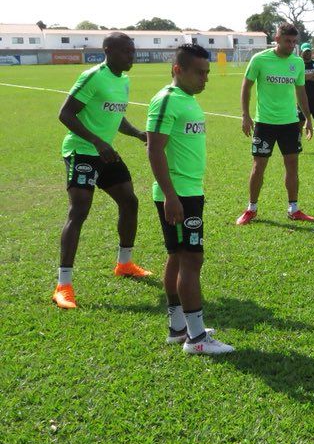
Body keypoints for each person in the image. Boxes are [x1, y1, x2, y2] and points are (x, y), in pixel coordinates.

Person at [53, 32, 151, 309]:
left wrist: (136, 133)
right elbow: (65, 113)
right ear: (108, 50)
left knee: (129, 202)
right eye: (125, 52)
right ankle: (63, 285)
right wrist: (97, 142)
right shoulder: (93, 76)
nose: (131, 56)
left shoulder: (124, 80)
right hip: (82, 150)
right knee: (80, 209)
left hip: (104, 152)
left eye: (132, 52)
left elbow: (115, 115)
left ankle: (125, 263)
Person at [147, 44, 233, 354]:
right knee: (191, 260)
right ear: (177, 69)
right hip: (179, 194)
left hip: (188, 191)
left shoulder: (187, 100)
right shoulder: (168, 100)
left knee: (178, 256)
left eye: (207, 73)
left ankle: (178, 328)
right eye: (199, 73)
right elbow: (154, 149)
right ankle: (197, 339)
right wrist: (170, 196)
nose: (205, 79)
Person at [236, 24, 314, 225]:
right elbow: (246, 87)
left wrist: (307, 118)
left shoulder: (297, 63)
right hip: (265, 123)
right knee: (258, 167)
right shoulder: (260, 59)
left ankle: (294, 208)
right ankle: (251, 209)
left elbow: (301, 92)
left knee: (292, 166)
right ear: (277, 39)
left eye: (294, 42)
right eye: (288, 41)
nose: (292, 45)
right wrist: (245, 115)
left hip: (289, 124)